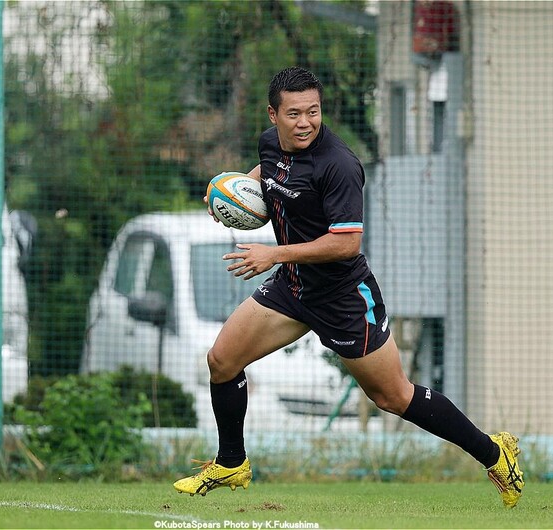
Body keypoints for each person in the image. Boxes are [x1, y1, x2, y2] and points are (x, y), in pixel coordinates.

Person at [173, 67, 524, 508]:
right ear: (274, 115)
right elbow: (267, 173)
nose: (305, 123)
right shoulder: (269, 144)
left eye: (313, 112)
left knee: (393, 396)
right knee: (222, 360)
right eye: (295, 113)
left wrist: (273, 254)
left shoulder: (338, 164)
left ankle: (495, 454)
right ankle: (231, 462)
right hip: (293, 289)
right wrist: (231, 196)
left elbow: (346, 243)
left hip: (343, 298)